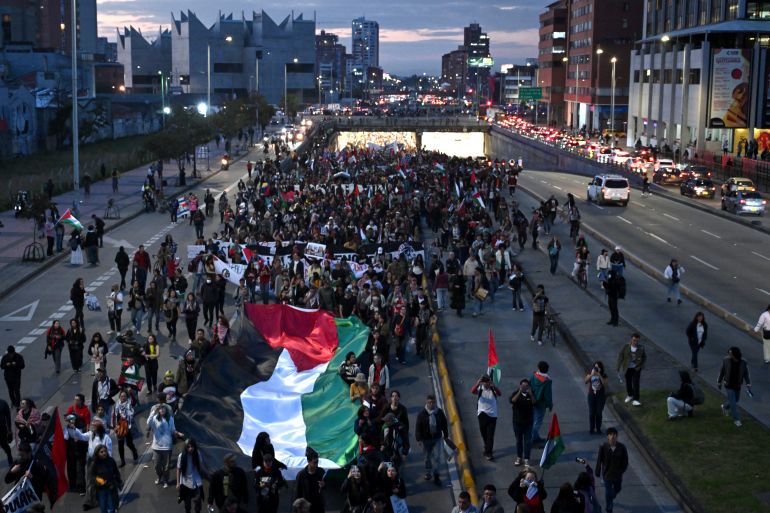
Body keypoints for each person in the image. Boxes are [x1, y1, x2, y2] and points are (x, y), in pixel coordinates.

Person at [147, 400, 183, 487]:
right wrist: (153, 411)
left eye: (164, 409)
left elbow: (172, 430)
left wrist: (178, 433)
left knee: (166, 466)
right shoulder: (155, 418)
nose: (162, 410)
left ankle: (166, 480)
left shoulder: (170, 419)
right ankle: (159, 476)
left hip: (167, 446)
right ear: (158, 410)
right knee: (156, 465)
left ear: (166, 410)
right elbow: (148, 422)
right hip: (156, 447)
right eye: (160, 409)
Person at [414, 394, 448, 485]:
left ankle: (436, 474)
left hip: (437, 438)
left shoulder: (439, 412)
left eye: (433, 402)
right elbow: (418, 427)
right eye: (429, 402)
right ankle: (428, 472)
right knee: (427, 457)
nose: (431, 404)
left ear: (435, 402)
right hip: (426, 440)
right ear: (426, 402)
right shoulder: (422, 414)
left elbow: (444, 424)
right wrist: (418, 439)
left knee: (437, 457)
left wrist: (446, 435)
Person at [595, 427, 629, 513]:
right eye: (610, 435)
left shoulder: (621, 447)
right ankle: (609, 507)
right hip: (607, 474)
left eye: (614, 435)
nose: (613, 436)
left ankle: (612, 497)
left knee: (618, 488)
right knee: (608, 492)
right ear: (607, 437)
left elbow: (625, 461)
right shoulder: (603, 447)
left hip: (617, 475)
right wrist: (598, 471)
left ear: (617, 436)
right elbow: (599, 460)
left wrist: (621, 471)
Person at [717, 346, 751, 427]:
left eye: (731, 353)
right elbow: (722, 371)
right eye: (729, 353)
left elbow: (746, 374)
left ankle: (724, 406)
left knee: (736, 400)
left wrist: (748, 383)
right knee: (733, 404)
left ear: (735, 354)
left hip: (737, 385)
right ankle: (737, 419)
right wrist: (719, 382)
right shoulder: (726, 360)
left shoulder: (743, 362)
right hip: (728, 385)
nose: (729, 355)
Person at [471, 374, 501, 461]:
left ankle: (489, 453)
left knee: (490, 435)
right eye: (484, 382)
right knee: (483, 433)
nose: (486, 384)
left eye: (487, 382)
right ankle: (487, 446)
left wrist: (493, 385)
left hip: (492, 415)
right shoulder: (480, 390)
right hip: (482, 414)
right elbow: (472, 391)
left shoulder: (493, 390)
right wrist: (478, 383)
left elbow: (499, 393)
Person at [87, 444, 122, 513]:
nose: (104, 453)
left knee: (112, 508)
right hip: (101, 489)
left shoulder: (111, 460)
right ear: (97, 453)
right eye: (101, 452)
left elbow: (116, 472)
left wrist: (119, 482)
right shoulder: (94, 463)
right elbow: (92, 476)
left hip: (111, 487)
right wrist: (98, 481)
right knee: (103, 508)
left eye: (105, 451)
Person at [177, 438, 208, 513]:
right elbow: (178, 469)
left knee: (198, 502)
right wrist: (178, 483)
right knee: (187, 505)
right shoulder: (181, 456)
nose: (190, 448)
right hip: (185, 483)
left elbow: (201, 466)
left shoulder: (197, 454)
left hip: (196, 482)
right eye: (188, 447)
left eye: (192, 446)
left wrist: (208, 474)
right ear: (186, 447)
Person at [510, 378, 534, 467]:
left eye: (526, 386)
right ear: (520, 386)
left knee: (527, 442)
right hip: (517, 422)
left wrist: (531, 395)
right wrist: (519, 392)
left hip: (528, 423)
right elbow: (512, 401)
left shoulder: (531, 394)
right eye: (523, 386)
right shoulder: (515, 393)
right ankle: (519, 457)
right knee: (518, 441)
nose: (524, 387)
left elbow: (534, 403)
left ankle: (527, 459)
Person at [616, 333, 646, 407]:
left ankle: (636, 399)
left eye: (637, 341)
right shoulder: (626, 347)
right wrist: (618, 367)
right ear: (631, 339)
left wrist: (641, 366)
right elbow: (621, 356)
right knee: (628, 382)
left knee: (636, 383)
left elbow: (644, 357)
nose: (635, 342)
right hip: (627, 368)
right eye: (634, 340)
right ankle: (630, 395)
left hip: (636, 368)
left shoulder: (641, 348)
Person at [294, 448, 326, 513]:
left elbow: (325, 487)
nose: (317, 465)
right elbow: (297, 493)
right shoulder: (301, 475)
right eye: (315, 462)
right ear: (308, 461)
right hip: (306, 507)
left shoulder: (321, 471)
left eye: (317, 462)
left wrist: (323, 485)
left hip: (318, 506)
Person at [112, 390, 139, 466]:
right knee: (120, 444)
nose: (123, 398)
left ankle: (134, 451)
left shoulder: (130, 403)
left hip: (128, 427)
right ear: (119, 397)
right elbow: (113, 416)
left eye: (124, 396)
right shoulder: (116, 405)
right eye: (121, 396)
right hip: (119, 427)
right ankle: (122, 461)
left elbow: (134, 401)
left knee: (129, 443)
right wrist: (114, 426)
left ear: (127, 397)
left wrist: (131, 393)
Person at [530, 362, 553, 446]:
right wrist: (550, 405)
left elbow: (530, 386)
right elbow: (548, 395)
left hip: (532, 401)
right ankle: (532, 438)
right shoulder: (547, 381)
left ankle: (535, 437)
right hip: (541, 403)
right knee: (538, 421)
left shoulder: (533, 376)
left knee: (533, 420)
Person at [585, 361, 608, 434]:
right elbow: (585, 381)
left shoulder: (604, 375)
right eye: (595, 367)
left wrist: (599, 375)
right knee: (592, 413)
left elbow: (605, 385)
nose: (596, 369)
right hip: (592, 395)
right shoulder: (590, 373)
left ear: (601, 368)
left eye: (598, 367)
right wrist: (592, 375)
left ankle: (598, 428)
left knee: (599, 413)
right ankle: (591, 428)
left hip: (600, 396)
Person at [0, 398, 12, 466]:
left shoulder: (2, 403)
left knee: (4, 444)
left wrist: (9, 429)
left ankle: (9, 456)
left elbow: (8, 416)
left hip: (2, 429)